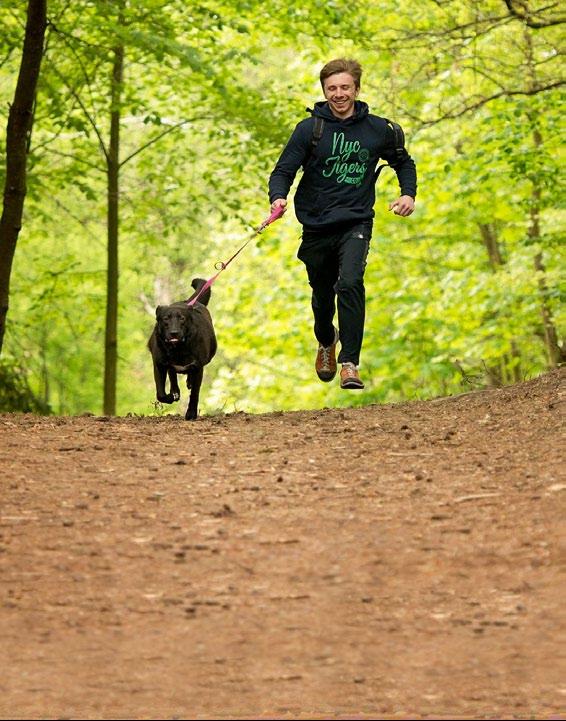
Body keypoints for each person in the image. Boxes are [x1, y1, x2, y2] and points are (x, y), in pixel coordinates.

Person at [268, 58, 417, 389]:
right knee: (322, 295)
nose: (338, 94)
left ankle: (350, 362)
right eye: (332, 88)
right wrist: (278, 197)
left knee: (349, 283)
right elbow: (283, 171)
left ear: (357, 89)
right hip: (317, 224)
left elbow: (404, 163)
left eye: (345, 87)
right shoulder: (310, 129)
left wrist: (408, 195)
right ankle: (326, 340)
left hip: (356, 221)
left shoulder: (379, 130)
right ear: (324, 90)